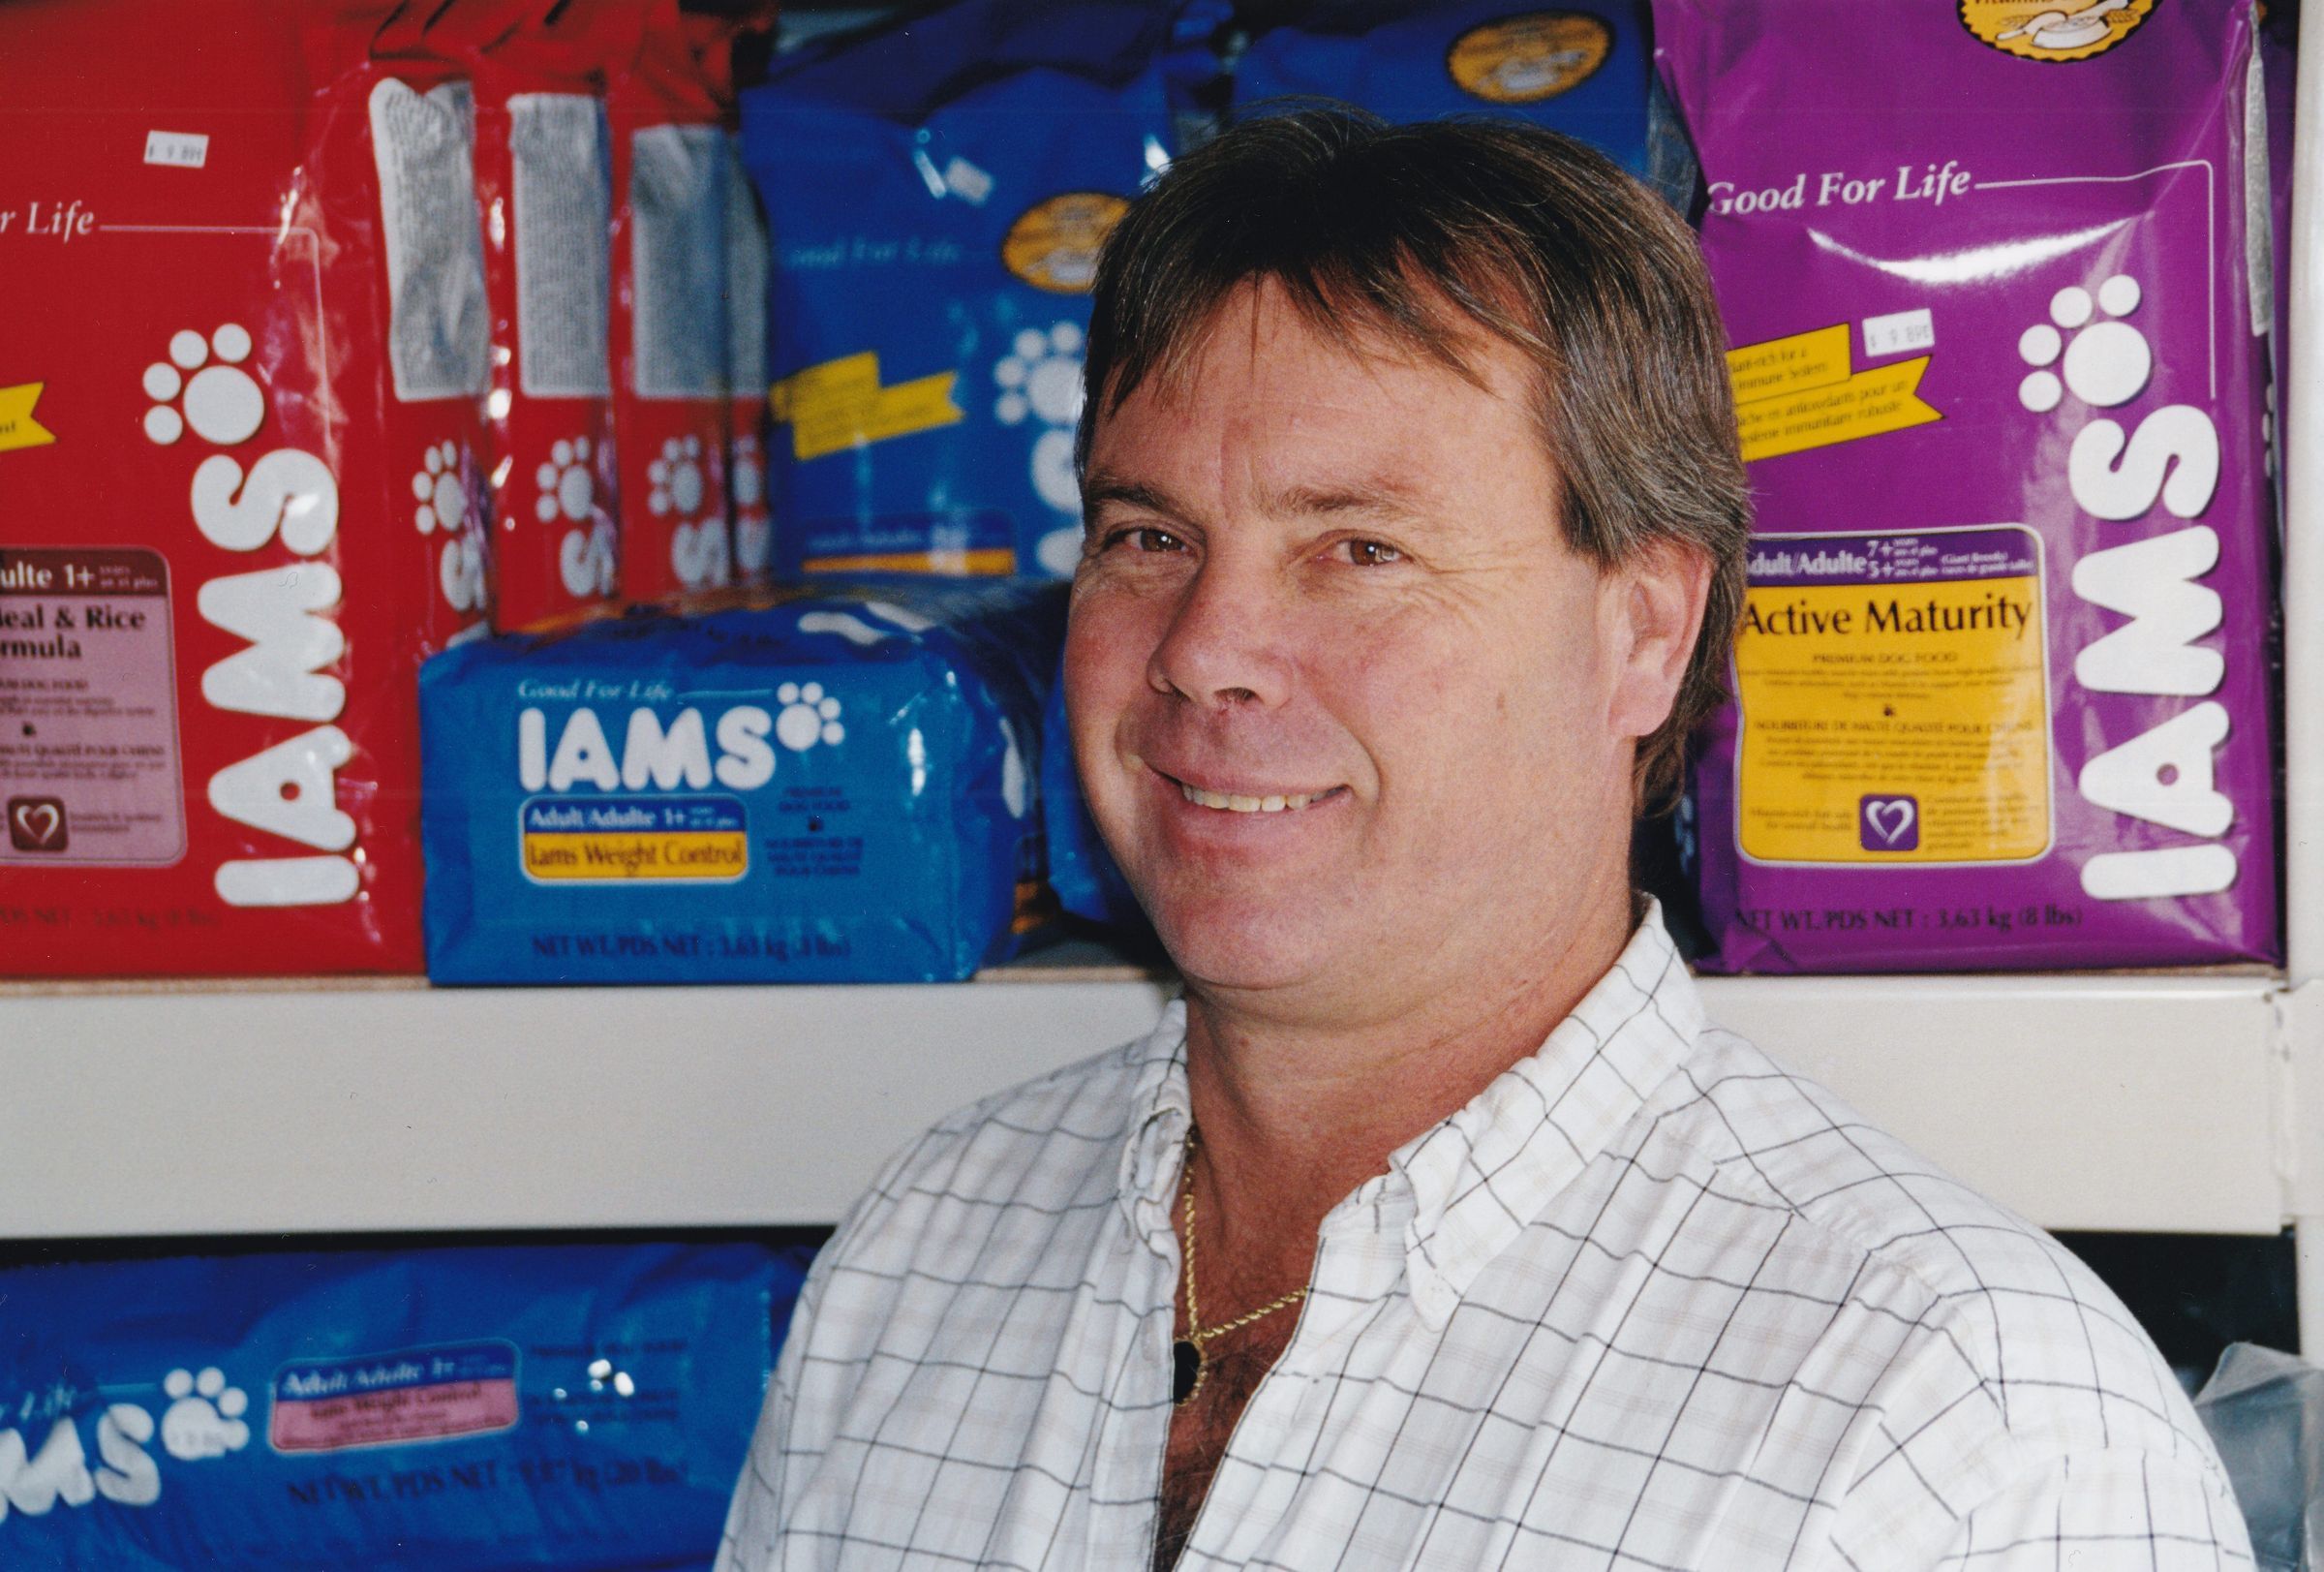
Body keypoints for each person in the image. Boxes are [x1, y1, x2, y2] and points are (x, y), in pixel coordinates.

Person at [717, 108, 2249, 1570]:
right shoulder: (918, 1257)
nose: (1203, 651)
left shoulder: (1963, 1429)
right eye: (1149, 537)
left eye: (1360, 549)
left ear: (1644, 634)